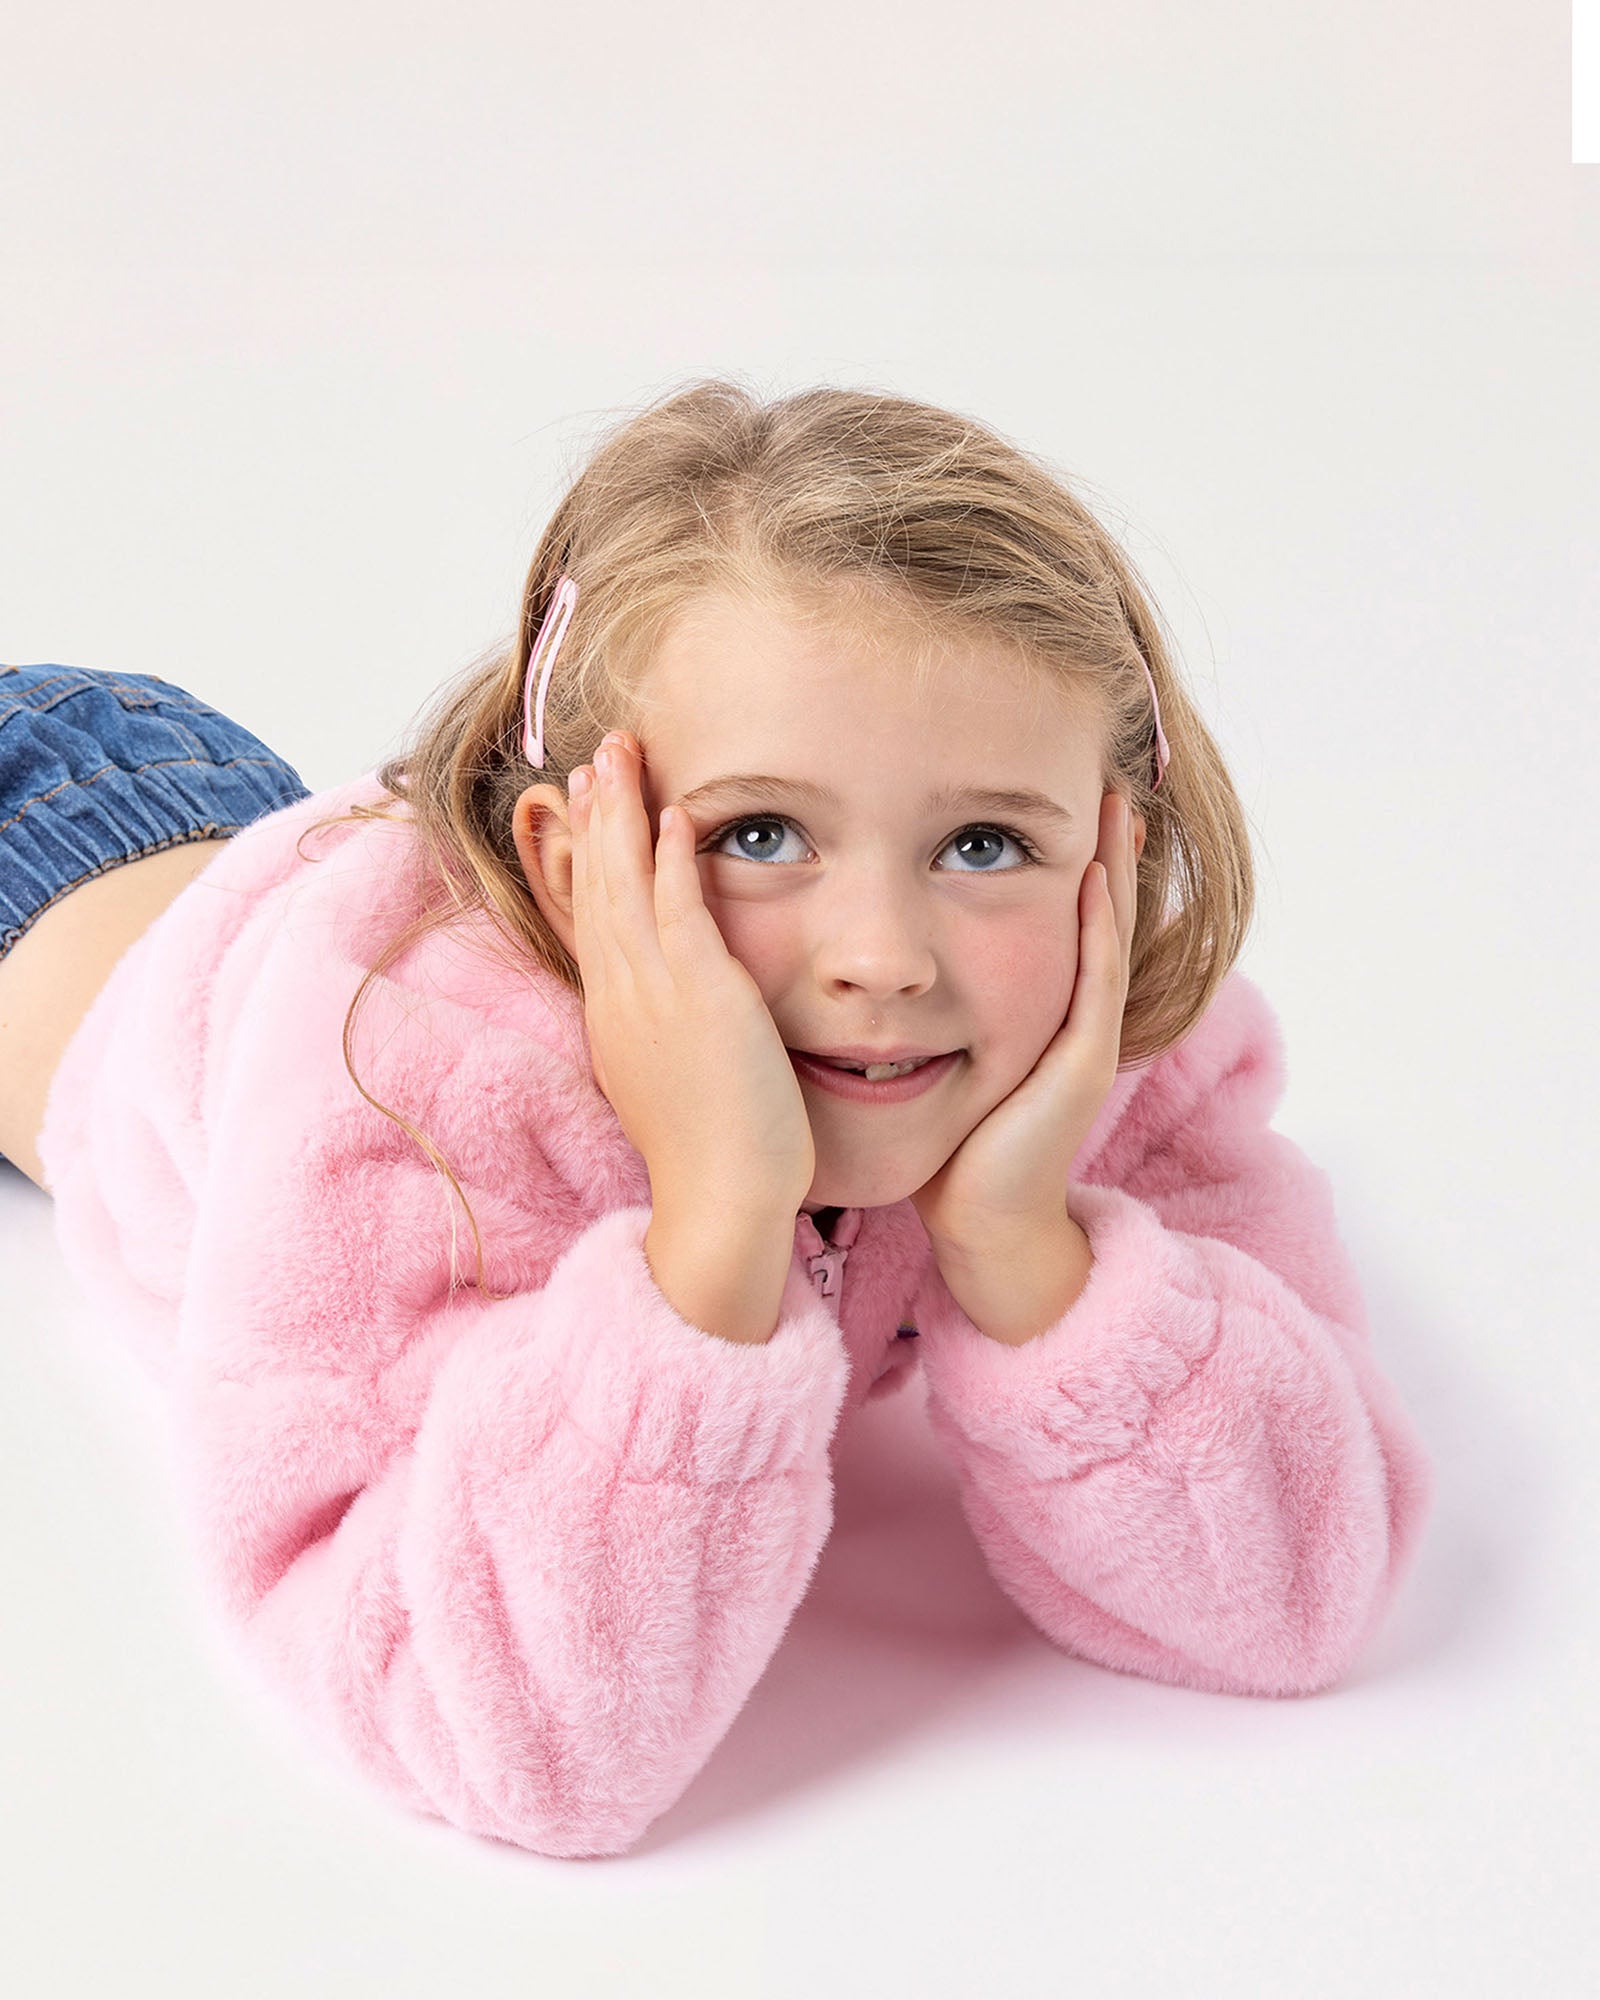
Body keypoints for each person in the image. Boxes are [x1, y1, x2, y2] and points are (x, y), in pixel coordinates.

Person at [21, 379, 1433, 1860]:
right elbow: (494, 1734)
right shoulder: (410, 1069)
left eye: (984, 844)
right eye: (762, 834)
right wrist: (714, 1227)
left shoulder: (1107, 1033)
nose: (882, 957)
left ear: (1116, 854)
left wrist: (1029, 1244)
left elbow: (1297, 1595)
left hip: (212, 807)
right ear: (576, 864)